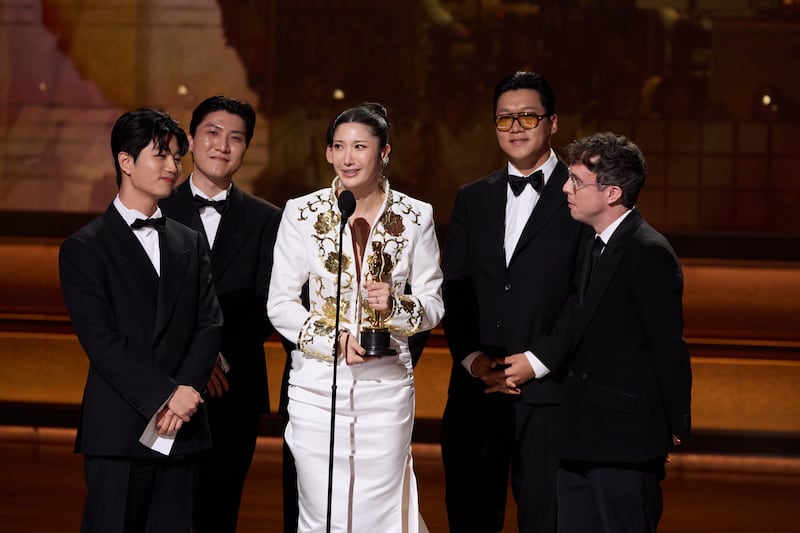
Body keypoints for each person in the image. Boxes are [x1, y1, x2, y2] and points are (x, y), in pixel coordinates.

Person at [267, 102, 444, 532]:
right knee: (319, 510)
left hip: (385, 391)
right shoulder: (302, 212)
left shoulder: (415, 215)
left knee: (380, 510)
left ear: (384, 153)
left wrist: (396, 307)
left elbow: (434, 304)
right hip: (315, 386)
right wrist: (335, 340)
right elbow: (281, 304)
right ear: (327, 152)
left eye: (360, 146)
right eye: (339, 146)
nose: (348, 157)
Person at [58, 108, 223, 532]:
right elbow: (102, 342)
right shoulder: (85, 247)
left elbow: (210, 323)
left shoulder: (189, 241)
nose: (173, 167)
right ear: (125, 161)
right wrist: (166, 394)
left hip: (182, 429)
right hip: (118, 429)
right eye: (160, 155)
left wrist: (185, 394)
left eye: (175, 157)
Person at [440, 71, 588, 533]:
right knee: (470, 517)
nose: (516, 127)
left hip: (550, 394)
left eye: (528, 115)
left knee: (546, 521)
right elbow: (455, 288)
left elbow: (584, 297)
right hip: (476, 392)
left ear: (553, 123)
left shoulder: (582, 196)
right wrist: (471, 357)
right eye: (505, 119)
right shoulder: (472, 198)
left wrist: (538, 361)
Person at [536, 132, 692, 532]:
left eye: (576, 182)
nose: (565, 189)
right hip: (580, 434)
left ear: (612, 193)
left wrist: (674, 423)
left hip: (624, 437)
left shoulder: (647, 251)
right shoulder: (593, 245)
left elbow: (667, 345)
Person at [158, 95, 282, 532]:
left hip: (233, 388)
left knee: (219, 512)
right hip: (163, 383)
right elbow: (144, 301)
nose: (222, 146)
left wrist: (217, 356)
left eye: (235, 138)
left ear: (245, 148)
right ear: (191, 140)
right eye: (212, 133)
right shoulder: (154, 207)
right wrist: (195, 359)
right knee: (162, 510)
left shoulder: (270, 219)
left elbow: (270, 302)